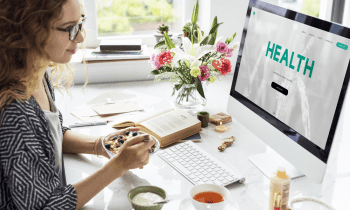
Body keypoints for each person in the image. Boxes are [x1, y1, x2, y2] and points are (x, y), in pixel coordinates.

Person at [0, 0, 156, 209]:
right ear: (31, 31)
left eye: (81, 23)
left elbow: (50, 136)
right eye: (70, 28)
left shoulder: (37, 72)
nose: (81, 36)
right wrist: (118, 165)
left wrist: (101, 145)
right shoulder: (14, 111)